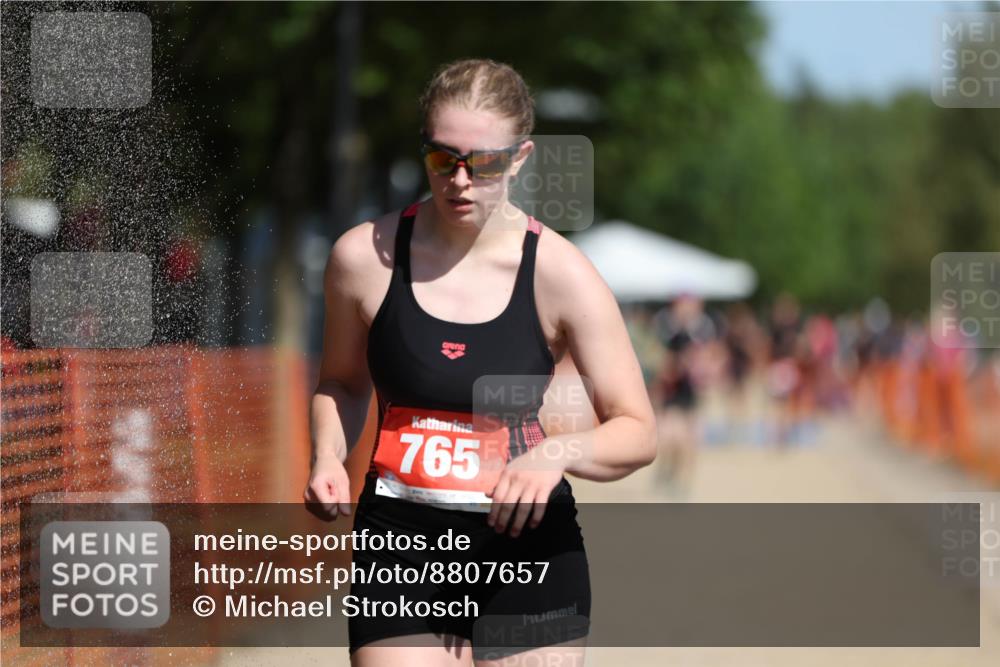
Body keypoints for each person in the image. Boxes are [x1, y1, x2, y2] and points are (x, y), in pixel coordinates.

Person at [304, 59, 656, 667]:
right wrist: (327, 453)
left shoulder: (561, 273)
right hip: (400, 545)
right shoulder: (363, 260)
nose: (461, 180)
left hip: (527, 554)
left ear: (519, 158)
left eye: (484, 163)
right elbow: (340, 382)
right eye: (443, 159)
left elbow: (638, 430)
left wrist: (556, 453)